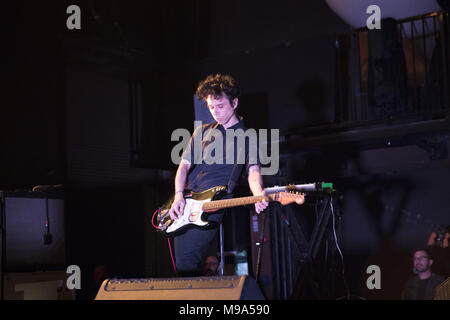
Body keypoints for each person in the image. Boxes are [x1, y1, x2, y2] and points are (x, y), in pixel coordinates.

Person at [168, 74, 268, 276]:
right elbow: (183, 167)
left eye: (220, 106)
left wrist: (258, 194)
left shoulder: (248, 137)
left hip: (214, 204)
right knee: (182, 264)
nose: (216, 113)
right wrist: (178, 195)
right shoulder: (202, 132)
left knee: (187, 261)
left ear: (235, 102)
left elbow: (253, 172)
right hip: (187, 202)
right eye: (211, 107)